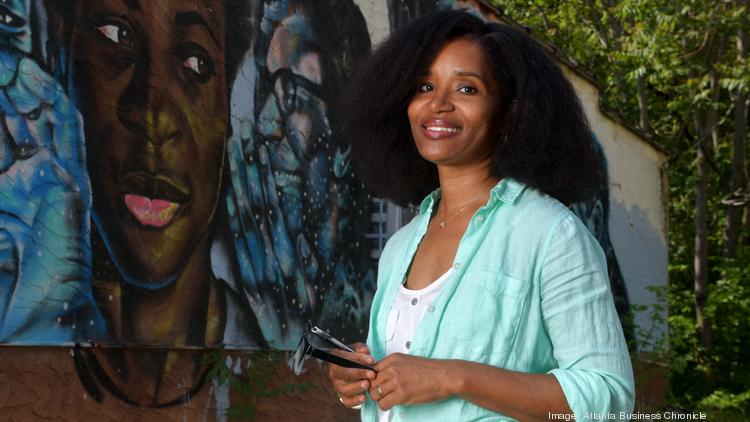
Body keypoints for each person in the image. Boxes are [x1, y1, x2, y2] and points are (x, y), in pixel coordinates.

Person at [326, 10, 634, 422]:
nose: (438, 104)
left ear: (509, 113)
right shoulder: (401, 245)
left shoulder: (550, 233)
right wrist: (359, 382)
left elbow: (609, 400)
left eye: (467, 89)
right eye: (424, 86)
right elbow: (400, 388)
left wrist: (453, 377)